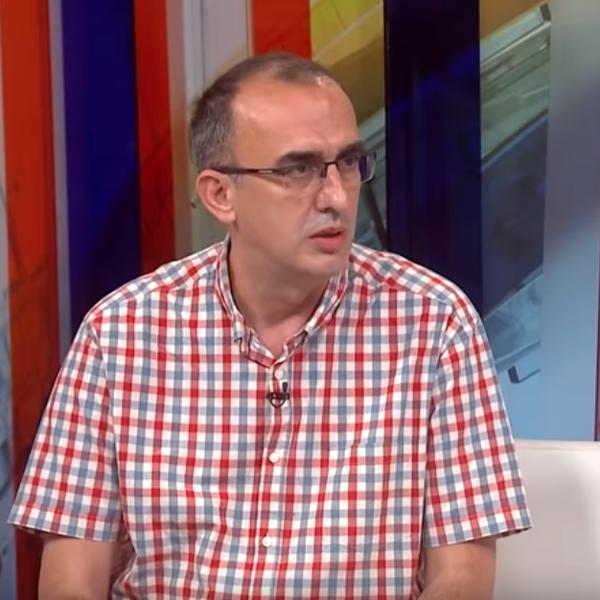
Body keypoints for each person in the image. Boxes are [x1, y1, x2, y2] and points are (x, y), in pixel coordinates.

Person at [9, 52, 531, 599]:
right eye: (297, 169)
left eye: (349, 163)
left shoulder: (435, 323)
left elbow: (462, 579)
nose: (336, 197)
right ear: (220, 195)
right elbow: (70, 581)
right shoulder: (121, 333)